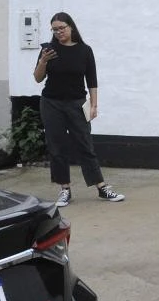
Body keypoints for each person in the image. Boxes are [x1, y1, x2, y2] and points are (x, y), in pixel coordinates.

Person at [34, 12, 124, 205]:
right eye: (55, 29)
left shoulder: (84, 50)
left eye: (62, 28)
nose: (59, 32)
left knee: (85, 144)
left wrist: (94, 104)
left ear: (71, 27)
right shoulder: (48, 50)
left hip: (77, 104)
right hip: (51, 103)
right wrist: (43, 61)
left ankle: (101, 187)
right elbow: (38, 78)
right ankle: (64, 189)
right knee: (56, 146)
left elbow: (92, 80)